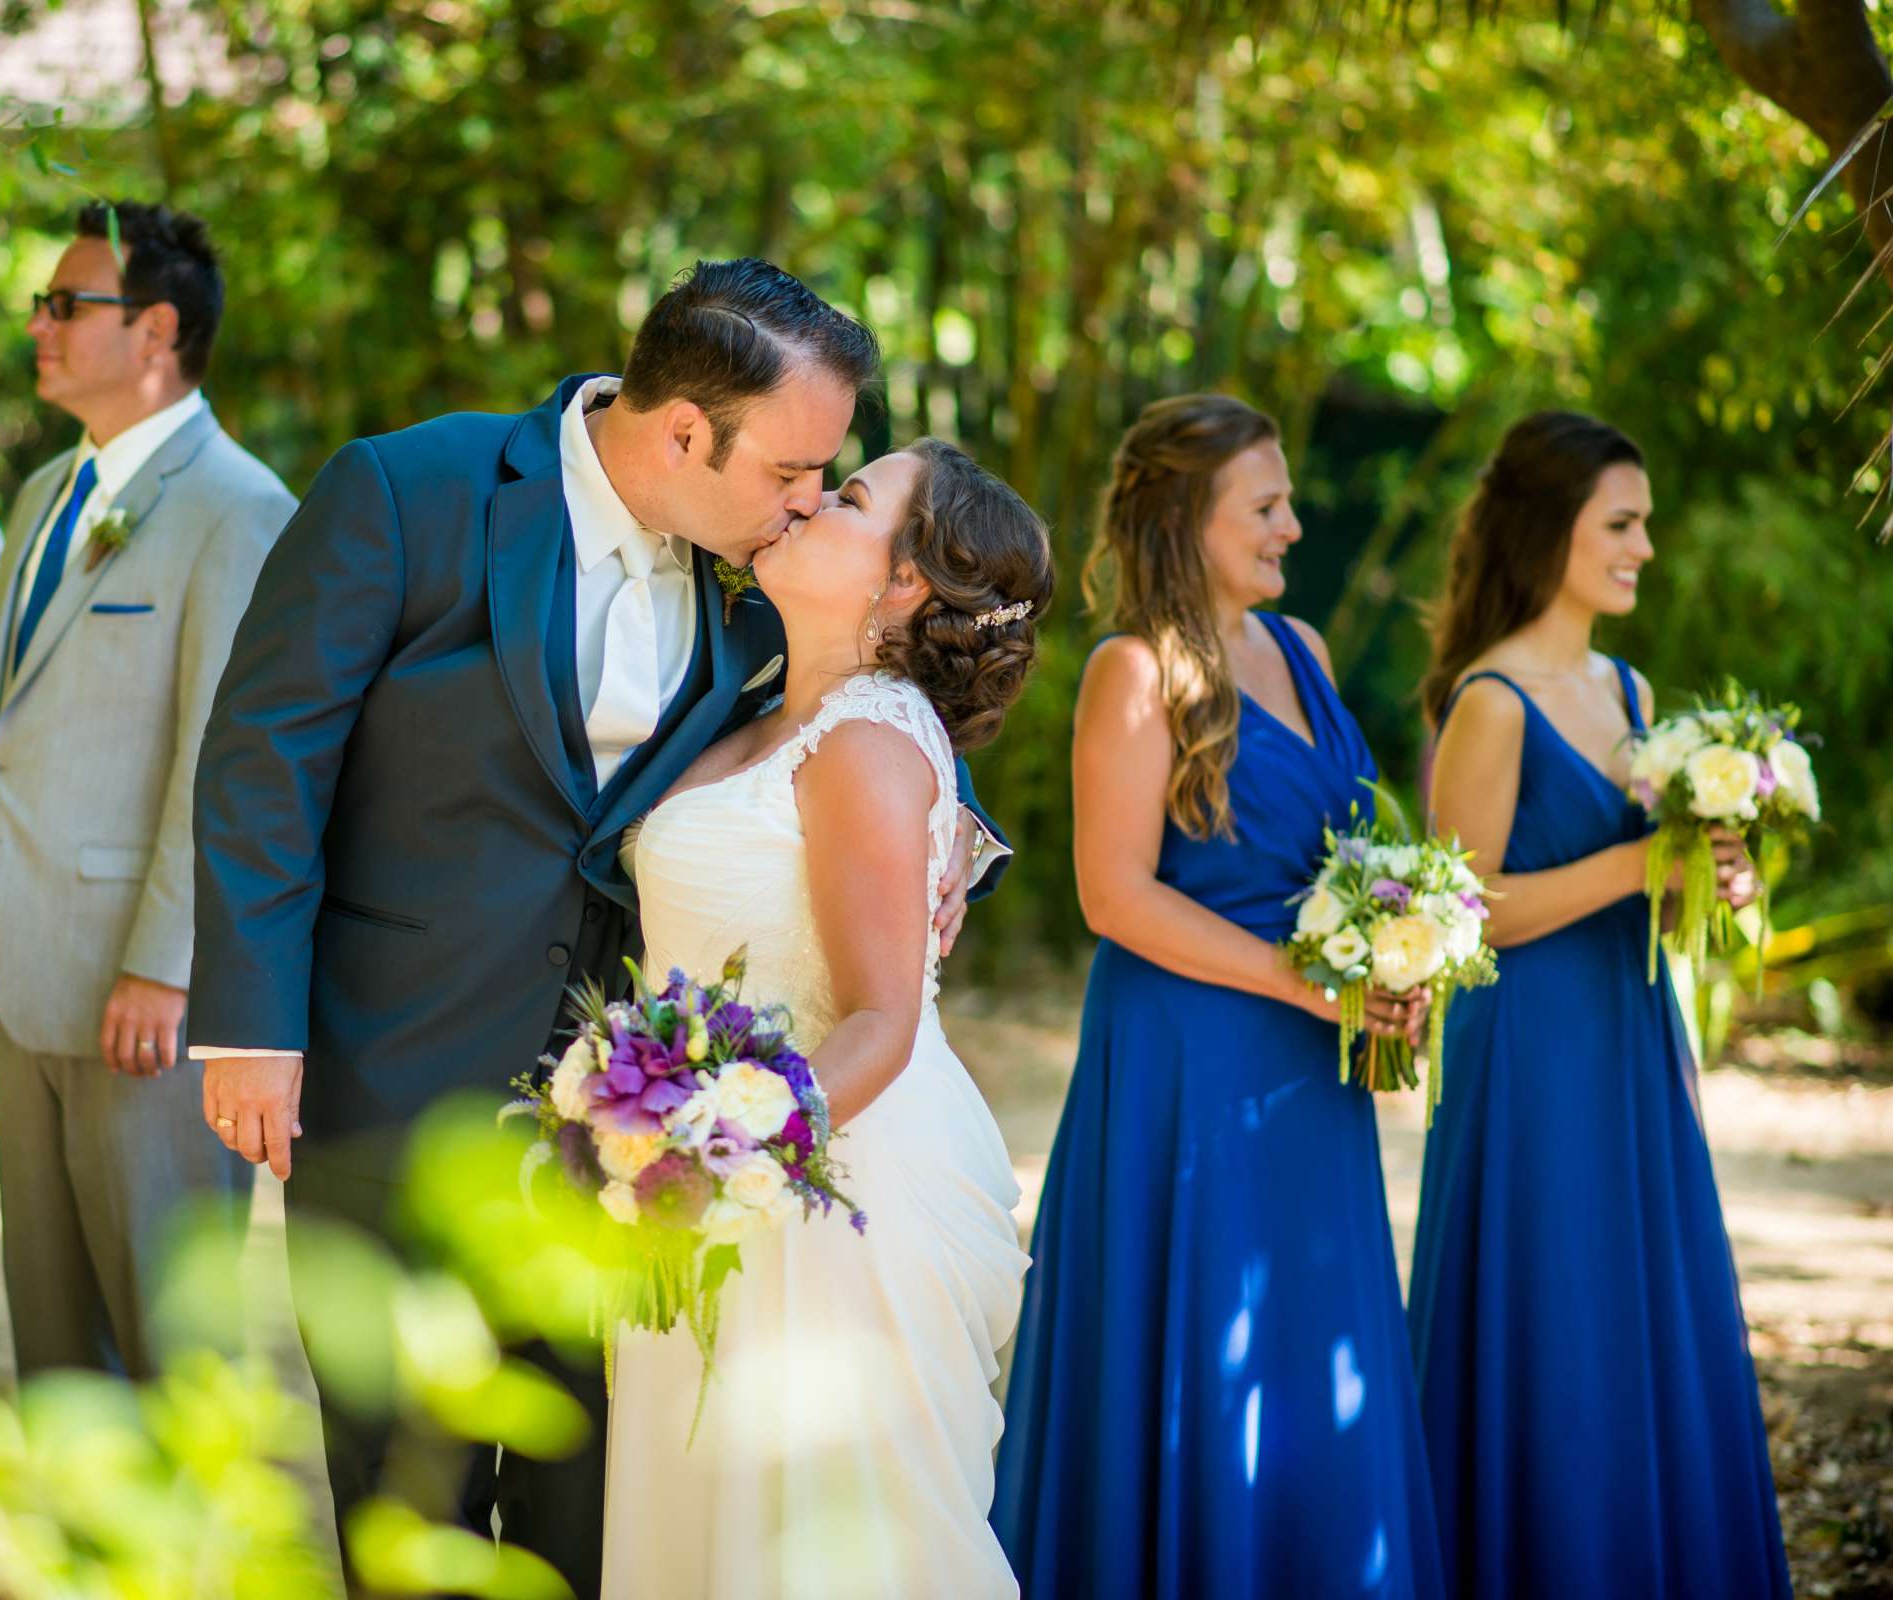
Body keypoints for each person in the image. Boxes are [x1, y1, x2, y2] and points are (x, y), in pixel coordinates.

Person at [189, 259, 1009, 1596]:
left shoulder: (765, 571)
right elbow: (265, 755)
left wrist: (947, 846)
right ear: (686, 432)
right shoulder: (412, 493)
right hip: (395, 1070)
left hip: (636, 1136)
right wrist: (249, 1024)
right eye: (795, 469)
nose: (810, 500)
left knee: (600, 1514)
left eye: (830, 480)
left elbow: (870, 696)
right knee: (410, 1504)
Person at [991, 394, 1443, 1598]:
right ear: (1187, 519)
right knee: (1195, 1347)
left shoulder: (1307, 655)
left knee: (1310, 1338)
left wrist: (1395, 952)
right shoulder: (1131, 672)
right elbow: (1113, 894)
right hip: (1187, 1064)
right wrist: (1305, 981)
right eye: (1268, 504)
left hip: (1312, 1069)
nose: (1294, 525)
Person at [601, 438, 1050, 1598]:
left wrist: (701, 1162)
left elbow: (882, 1021)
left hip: (826, 1194)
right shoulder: (755, 702)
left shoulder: (865, 737)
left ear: (905, 581)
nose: (805, 499)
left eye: (846, 497)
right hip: (724, 1177)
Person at [0, 201, 296, 1381]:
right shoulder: (35, 500)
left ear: (156, 329)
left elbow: (224, 756)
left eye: (67, 303)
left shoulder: (240, 509)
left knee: (176, 1340)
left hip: (142, 998)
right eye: (40, 303)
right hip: (22, 976)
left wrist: (165, 959)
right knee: (59, 1336)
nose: (38, 325)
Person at [1406, 410, 1789, 1598]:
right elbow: (1461, 913)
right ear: (1550, 530)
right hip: (1528, 1058)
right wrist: (1638, 864)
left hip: (1631, 1039)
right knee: (1551, 1315)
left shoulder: (1626, 685)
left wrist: (1710, 880)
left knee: (1632, 1319)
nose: (1644, 548)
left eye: (1644, 525)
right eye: (1621, 524)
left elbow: (1651, 905)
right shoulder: (1492, 700)